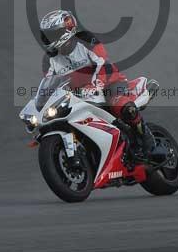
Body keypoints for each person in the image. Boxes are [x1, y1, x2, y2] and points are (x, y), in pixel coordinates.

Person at [39, 9, 155, 156]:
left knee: (120, 105)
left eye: (53, 34)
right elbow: (49, 83)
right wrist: (40, 104)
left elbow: (102, 63)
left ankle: (147, 139)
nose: (49, 39)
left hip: (110, 84)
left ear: (67, 29)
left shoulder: (86, 40)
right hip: (78, 95)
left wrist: (95, 85)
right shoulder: (50, 59)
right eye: (46, 36)